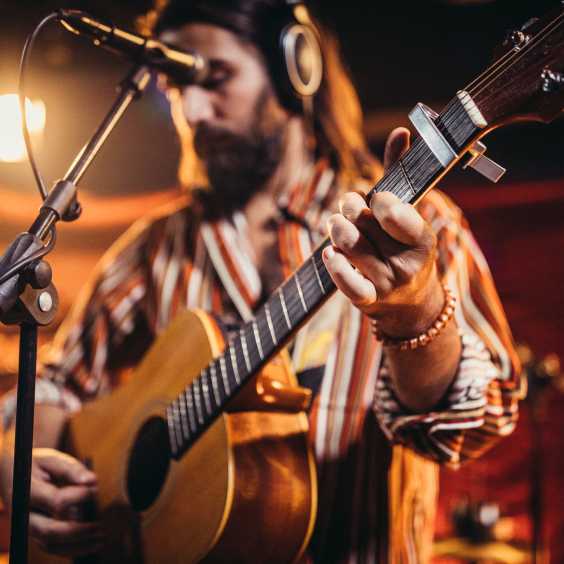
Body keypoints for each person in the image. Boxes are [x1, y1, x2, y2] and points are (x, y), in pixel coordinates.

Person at [0, 0, 523, 562]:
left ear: (294, 66)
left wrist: (417, 315)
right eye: (177, 88)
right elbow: (52, 385)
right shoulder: (156, 246)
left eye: (214, 77)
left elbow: (479, 421)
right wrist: (13, 457)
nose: (194, 110)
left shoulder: (416, 224)